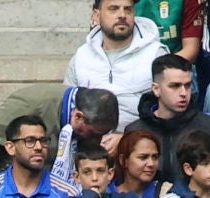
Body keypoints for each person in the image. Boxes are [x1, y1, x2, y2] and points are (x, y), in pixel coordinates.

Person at [129, 51, 210, 187]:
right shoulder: (135, 131)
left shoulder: (208, 126)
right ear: (156, 89)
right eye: (175, 86)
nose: (183, 93)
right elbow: (126, 183)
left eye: (188, 85)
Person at [66, 0, 165, 130]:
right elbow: (69, 109)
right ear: (96, 15)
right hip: (91, 142)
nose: (122, 15)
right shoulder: (81, 57)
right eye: (113, 9)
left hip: (140, 141)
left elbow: (167, 110)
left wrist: (126, 138)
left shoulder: (156, 54)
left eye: (128, 9)